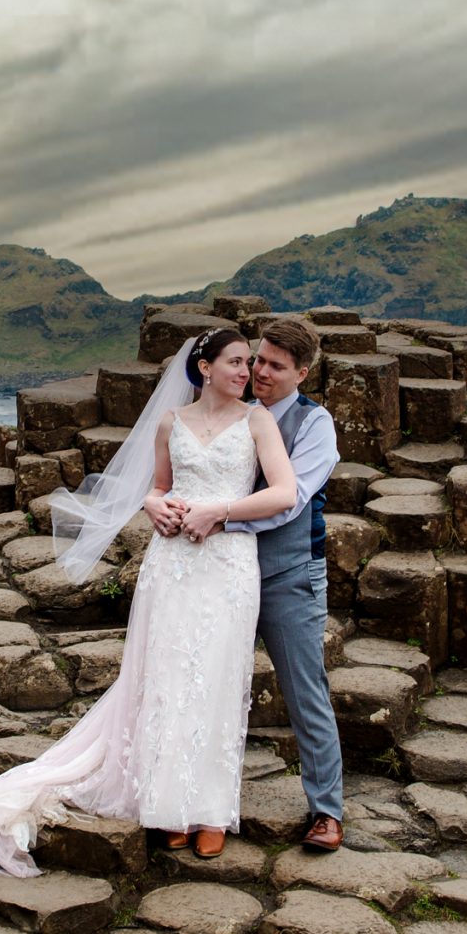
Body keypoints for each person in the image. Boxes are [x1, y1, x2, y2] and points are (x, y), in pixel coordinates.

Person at [0, 328, 299, 873]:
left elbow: (284, 492)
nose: (246, 372)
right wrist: (154, 507)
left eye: (248, 363)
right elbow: (157, 487)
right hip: (172, 563)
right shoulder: (170, 422)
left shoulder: (257, 421)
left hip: (227, 564)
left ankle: (210, 813)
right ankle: (169, 806)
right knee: (169, 676)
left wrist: (218, 510)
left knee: (218, 677)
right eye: (235, 361)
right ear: (203, 367)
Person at [170, 318, 345, 851]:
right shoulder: (225, 411)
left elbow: (288, 502)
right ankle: (193, 804)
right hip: (218, 573)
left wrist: (221, 517)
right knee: (203, 685)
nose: (259, 372)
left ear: (303, 373)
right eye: (257, 360)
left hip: (286, 574)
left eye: (274, 366)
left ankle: (326, 811)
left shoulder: (315, 425)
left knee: (303, 688)